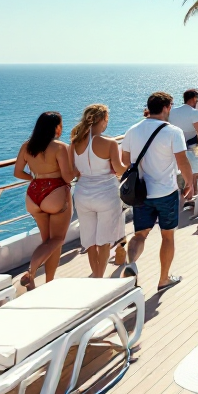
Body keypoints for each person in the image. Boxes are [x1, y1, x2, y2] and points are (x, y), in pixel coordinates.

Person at [121, 92, 194, 290]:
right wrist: (189, 183)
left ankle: (131, 264)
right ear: (166, 107)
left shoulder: (132, 130)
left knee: (139, 235)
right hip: (166, 193)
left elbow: (125, 161)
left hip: (141, 193)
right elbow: (182, 161)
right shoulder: (173, 132)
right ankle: (163, 279)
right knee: (167, 236)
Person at [14, 112, 76, 289]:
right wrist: (76, 170)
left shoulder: (27, 146)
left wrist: (35, 178)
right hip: (55, 193)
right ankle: (31, 271)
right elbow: (67, 177)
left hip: (34, 195)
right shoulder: (59, 147)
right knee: (57, 239)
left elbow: (17, 172)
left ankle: (49, 282)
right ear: (56, 127)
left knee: (49, 242)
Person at [70, 104, 127, 278]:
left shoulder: (75, 142)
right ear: (102, 120)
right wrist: (131, 166)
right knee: (104, 241)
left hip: (82, 194)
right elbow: (119, 169)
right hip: (106, 194)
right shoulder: (109, 143)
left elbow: (73, 171)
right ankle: (99, 279)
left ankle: (95, 275)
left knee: (90, 241)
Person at [170, 89, 198, 192]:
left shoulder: (172, 111)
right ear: (194, 98)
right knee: (195, 172)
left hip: (174, 148)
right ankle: (192, 194)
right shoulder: (195, 113)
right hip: (190, 148)